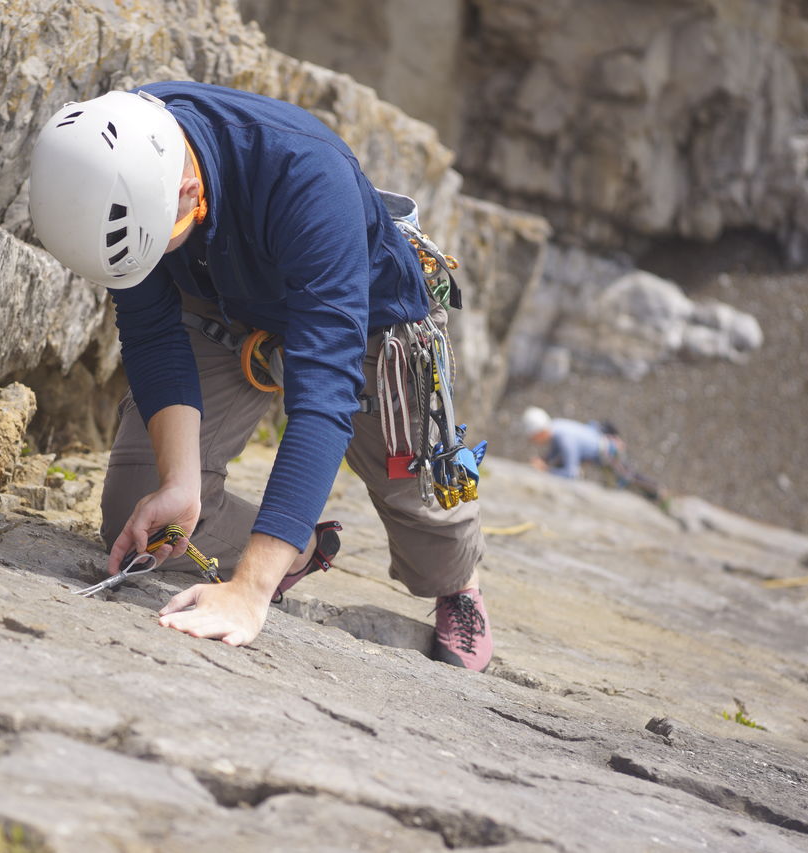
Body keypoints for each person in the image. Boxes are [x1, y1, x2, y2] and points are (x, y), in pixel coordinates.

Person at [27, 82, 492, 670]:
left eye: (158, 245)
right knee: (139, 514)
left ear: (188, 189)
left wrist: (250, 594)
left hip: (365, 318)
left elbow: (325, 395)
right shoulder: (120, 164)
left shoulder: (307, 177)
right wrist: (180, 483)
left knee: (423, 511)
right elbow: (152, 336)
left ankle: (460, 585)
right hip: (221, 296)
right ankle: (291, 549)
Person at [522, 406, 668, 505]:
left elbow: (570, 473)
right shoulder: (557, 426)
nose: (533, 441)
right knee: (621, 480)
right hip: (603, 450)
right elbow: (556, 454)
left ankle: (658, 492)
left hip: (608, 452)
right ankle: (654, 495)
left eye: (533, 437)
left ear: (540, 432)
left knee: (626, 478)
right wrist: (544, 461)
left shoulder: (564, 438)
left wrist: (546, 469)